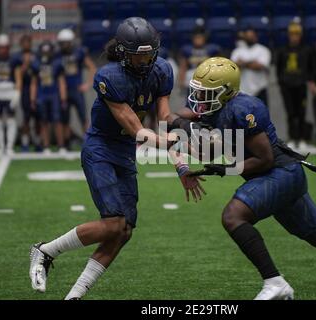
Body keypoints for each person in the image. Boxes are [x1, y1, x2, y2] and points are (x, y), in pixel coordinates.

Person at [172, 56, 316, 300]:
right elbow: (178, 120)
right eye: (198, 92)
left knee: (233, 216)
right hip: (274, 177)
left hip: (281, 173)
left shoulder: (243, 109)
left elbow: (264, 160)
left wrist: (226, 168)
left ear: (226, 92)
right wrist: (178, 127)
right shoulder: (214, 108)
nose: (198, 98)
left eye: (206, 93)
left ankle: (275, 282)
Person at [29, 17, 205, 300]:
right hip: (101, 148)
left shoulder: (161, 70)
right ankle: (45, 250)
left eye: (150, 53)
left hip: (124, 151)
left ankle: (74, 295)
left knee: (123, 231)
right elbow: (138, 131)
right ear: (123, 53)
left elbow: (163, 119)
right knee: (113, 223)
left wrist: (181, 161)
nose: (146, 60)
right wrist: (175, 139)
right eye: (140, 55)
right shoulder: (109, 77)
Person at [276, 22, 314, 150]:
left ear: (300, 35)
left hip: (301, 85)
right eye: (292, 34)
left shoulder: (306, 50)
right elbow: (278, 69)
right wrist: (282, 83)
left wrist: (310, 81)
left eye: (297, 34)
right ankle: (292, 138)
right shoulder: (282, 50)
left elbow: (310, 68)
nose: (294, 37)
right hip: (287, 86)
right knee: (290, 113)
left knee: (301, 113)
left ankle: (302, 138)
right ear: (288, 35)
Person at [56, 28, 96, 149]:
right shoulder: (58, 55)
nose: (63, 45)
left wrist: (88, 84)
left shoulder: (78, 52)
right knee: (64, 119)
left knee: (83, 117)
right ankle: (66, 144)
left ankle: (89, 143)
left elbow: (92, 67)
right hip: (63, 91)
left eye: (65, 42)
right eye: (61, 43)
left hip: (76, 89)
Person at [30, 41, 67, 154]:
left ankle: (61, 146)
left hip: (54, 94)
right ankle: (46, 146)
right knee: (43, 121)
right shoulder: (36, 64)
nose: (46, 53)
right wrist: (32, 98)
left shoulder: (57, 63)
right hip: (42, 95)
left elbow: (61, 82)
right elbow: (34, 83)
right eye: (44, 51)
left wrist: (63, 98)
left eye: (48, 51)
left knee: (57, 121)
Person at [230, 27, 271, 105]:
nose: (250, 38)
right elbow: (233, 67)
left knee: (261, 116)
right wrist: (251, 63)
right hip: (242, 91)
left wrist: (243, 63)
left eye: (252, 36)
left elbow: (260, 66)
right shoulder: (237, 51)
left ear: (256, 36)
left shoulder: (263, 50)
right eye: (248, 36)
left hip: (260, 90)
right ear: (244, 37)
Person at [14, 34, 39, 152]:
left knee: (38, 117)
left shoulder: (36, 55)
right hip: (24, 89)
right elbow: (17, 75)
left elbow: (39, 71)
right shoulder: (17, 57)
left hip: (37, 88)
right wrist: (25, 64)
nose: (26, 45)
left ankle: (38, 142)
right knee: (26, 117)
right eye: (24, 42)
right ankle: (25, 143)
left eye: (28, 42)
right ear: (21, 44)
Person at [178, 27, 221, 95]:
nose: (198, 40)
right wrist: (181, 80)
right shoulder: (187, 49)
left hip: (208, 74)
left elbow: (218, 65)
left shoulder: (212, 49)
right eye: (196, 37)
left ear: (204, 38)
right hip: (192, 74)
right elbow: (183, 66)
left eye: (200, 37)